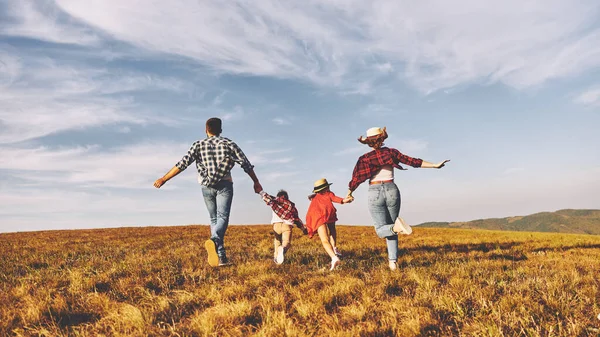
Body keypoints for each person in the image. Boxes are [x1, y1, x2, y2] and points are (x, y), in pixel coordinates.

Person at [153, 117, 263, 267]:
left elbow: (182, 164)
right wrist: (256, 182)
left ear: (206, 130)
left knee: (214, 220)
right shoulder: (229, 144)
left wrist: (164, 178)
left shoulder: (198, 145)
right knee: (222, 217)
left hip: (206, 187)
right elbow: (246, 164)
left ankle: (221, 257)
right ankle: (214, 241)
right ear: (221, 130)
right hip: (224, 184)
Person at [345, 127, 449, 271]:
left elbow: (356, 178)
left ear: (368, 142)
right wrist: (434, 165)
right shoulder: (391, 152)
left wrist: (349, 192)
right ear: (383, 138)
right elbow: (412, 161)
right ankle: (393, 263)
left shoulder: (364, 159)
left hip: (374, 192)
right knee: (393, 227)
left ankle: (395, 236)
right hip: (392, 190)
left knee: (382, 229)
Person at [306, 178, 353, 271]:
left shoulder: (314, 198)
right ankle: (334, 248)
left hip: (317, 216)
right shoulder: (329, 194)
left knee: (324, 240)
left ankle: (334, 257)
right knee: (332, 229)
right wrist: (345, 200)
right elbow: (337, 199)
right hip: (328, 213)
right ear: (326, 187)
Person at [259, 189, 308, 264]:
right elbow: (297, 220)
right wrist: (303, 229)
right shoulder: (291, 206)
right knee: (286, 242)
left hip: (276, 226)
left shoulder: (274, 203)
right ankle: (283, 249)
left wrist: (261, 193)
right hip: (287, 226)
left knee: (277, 242)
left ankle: (276, 258)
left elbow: (267, 198)